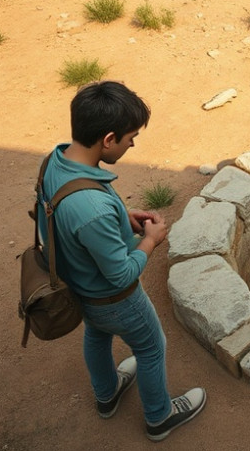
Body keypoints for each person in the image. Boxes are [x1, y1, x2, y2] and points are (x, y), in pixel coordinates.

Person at [37, 81, 205, 442]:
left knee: (97, 336)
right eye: (131, 138)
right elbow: (120, 274)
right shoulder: (93, 210)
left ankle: (106, 394)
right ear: (109, 139)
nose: (133, 144)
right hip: (114, 299)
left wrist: (119, 216)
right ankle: (159, 417)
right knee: (150, 346)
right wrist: (150, 240)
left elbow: (66, 216)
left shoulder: (56, 159)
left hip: (78, 287)